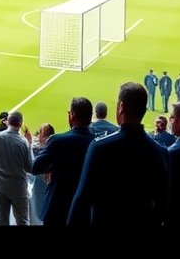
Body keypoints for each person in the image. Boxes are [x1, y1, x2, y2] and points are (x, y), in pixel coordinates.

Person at [67, 82, 170, 226]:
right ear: (144, 110)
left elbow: (82, 199)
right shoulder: (161, 152)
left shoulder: (99, 148)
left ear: (120, 107)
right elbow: (164, 205)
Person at [31, 96, 94, 226]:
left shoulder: (58, 141)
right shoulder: (97, 143)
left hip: (57, 208)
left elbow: (36, 167)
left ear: (72, 115)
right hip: (85, 211)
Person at [0, 111, 34, 225]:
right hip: (18, 187)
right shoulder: (23, 142)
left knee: (2, 220)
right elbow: (30, 168)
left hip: (0, 185)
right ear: (20, 124)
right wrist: (30, 145)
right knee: (22, 220)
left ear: (8, 122)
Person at [28, 122, 54, 225]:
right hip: (40, 185)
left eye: (41, 134)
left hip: (42, 186)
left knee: (40, 212)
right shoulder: (39, 149)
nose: (39, 137)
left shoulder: (45, 150)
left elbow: (32, 166)